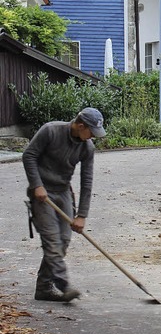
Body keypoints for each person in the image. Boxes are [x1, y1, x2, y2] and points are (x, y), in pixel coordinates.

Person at [23, 107, 106, 302]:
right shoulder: (50, 131)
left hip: (63, 193)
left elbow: (87, 182)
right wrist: (37, 185)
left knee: (63, 241)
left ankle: (43, 288)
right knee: (52, 240)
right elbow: (29, 156)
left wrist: (82, 215)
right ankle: (63, 284)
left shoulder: (87, 148)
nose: (92, 136)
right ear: (80, 125)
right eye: (91, 132)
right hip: (42, 194)